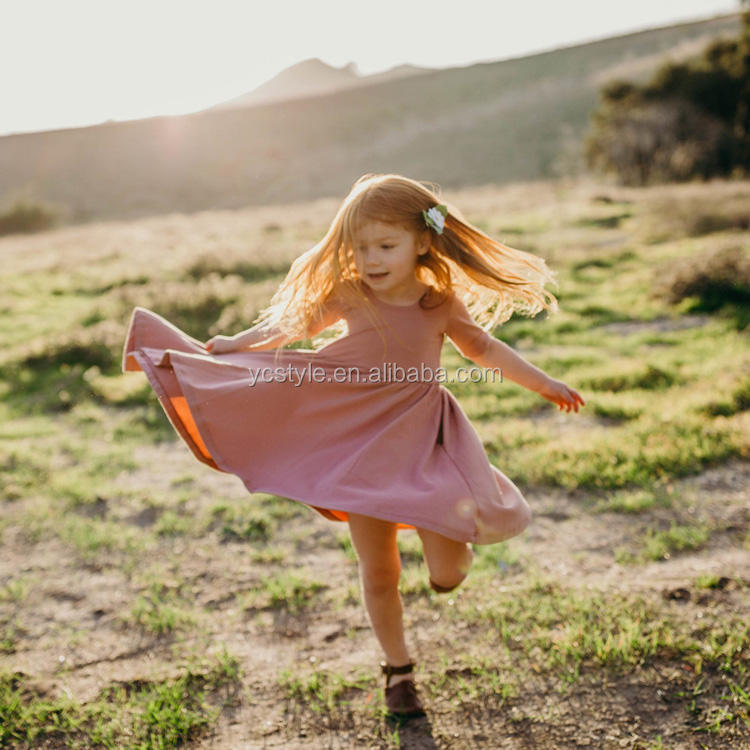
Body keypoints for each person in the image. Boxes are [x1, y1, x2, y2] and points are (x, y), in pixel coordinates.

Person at [122, 173, 585, 719]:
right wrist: (237, 344)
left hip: (421, 436)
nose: (370, 259)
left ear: (422, 241)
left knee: (450, 567)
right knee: (380, 570)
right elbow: (291, 325)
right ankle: (398, 671)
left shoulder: (438, 301)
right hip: (354, 443)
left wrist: (545, 383)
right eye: (359, 247)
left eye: (385, 246)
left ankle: (443, 576)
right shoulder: (349, 291)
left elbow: (484, 350)